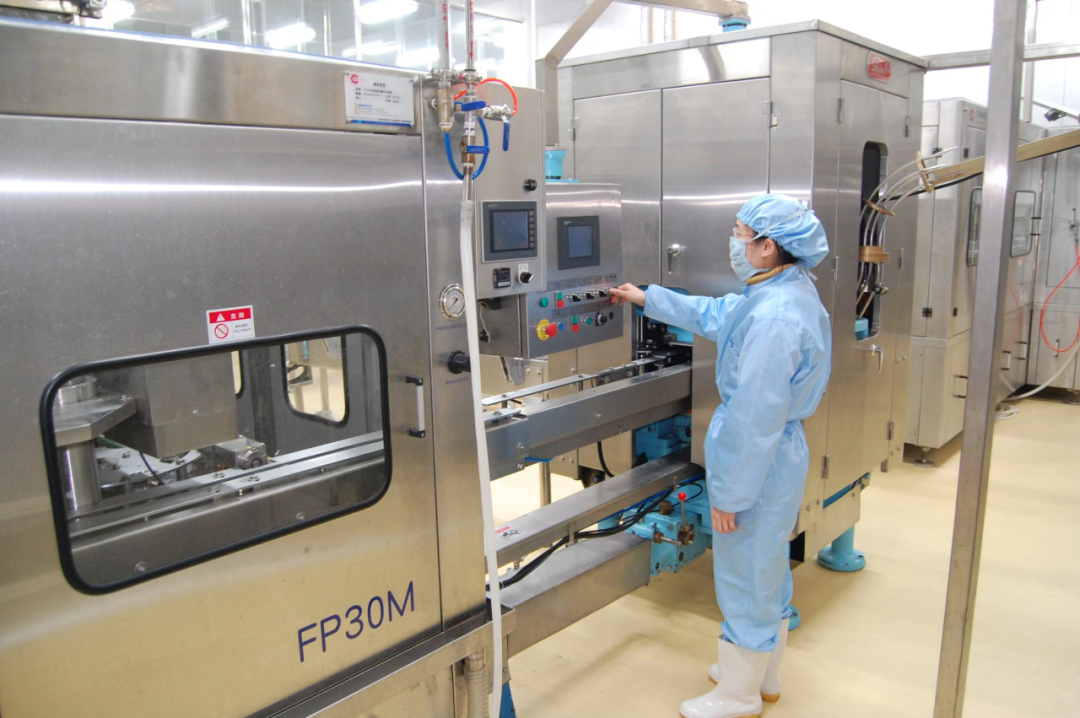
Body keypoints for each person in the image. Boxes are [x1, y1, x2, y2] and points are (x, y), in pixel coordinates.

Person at [610, 194, 831, 718]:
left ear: (767, 246)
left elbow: (754, 421)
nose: (734, 241)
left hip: (760, 462)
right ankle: (762, 673)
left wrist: (729, 496)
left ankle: (738, 694)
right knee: (766, 568)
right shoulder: (784, 290)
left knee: (745, 572)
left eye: (739, 232)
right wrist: (647, 297)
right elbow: (719, 314)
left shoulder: (775, 320)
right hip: (777, 458)